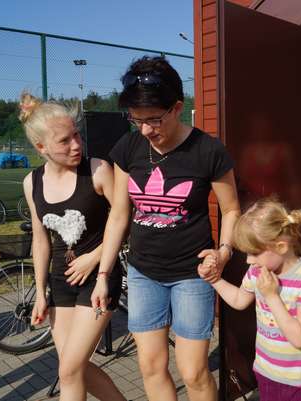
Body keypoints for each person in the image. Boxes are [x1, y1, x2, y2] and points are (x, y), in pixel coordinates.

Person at [94, 56, 240, 401]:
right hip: (143, 273)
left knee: (194, 372)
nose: (146, 130)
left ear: (177, 107)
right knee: (150, 366)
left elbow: (232, 209)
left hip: (193, 274)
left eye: (154, 119)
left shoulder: (208, 150)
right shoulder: (128, 148)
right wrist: (103, 274)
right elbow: (119, 215)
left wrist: (224, 252)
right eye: (137, 120)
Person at [19, 93, 127, 401]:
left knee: (69, 369)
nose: (77, 145)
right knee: (73, 369)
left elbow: (125, 221)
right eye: (65, 141)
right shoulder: (32, 182)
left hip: (99, 277)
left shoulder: (98, 169)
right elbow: (40, 240)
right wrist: (41, 292)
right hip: (61, 281)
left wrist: (94, 258)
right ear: (41, 147)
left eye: (76, 135)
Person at [199, 198, 301, 401]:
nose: (249, 260)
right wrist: (214, 279)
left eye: (254, 253)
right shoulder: (256, 271)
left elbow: (300, 337)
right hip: (266, 373)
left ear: (281, 247)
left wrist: (271, 296)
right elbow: (239, 300)